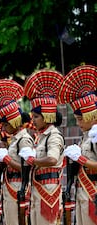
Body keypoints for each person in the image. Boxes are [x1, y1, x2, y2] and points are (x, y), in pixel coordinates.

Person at [0, 79, 34, 225]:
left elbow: (28, 168)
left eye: (5, 125)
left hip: (18, 186)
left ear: (14, 122)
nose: (3, 129)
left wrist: (7, 159)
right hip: (9, 185)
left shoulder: (24, 139)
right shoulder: (15, 139)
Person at [21, 69, 65, 225]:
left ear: (47, 116)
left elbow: (52, 159)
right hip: (38, 189)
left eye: (37, 117)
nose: (34, 120)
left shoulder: (53, 135)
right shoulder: (40, 136)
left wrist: (33, 160)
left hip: (49, 191)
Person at [58, 65, 97, 224]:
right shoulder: (86, 136)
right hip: (82, 192)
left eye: (80, 119)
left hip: (94, 191)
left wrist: (80, 159)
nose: (78, 122)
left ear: (92, 116)